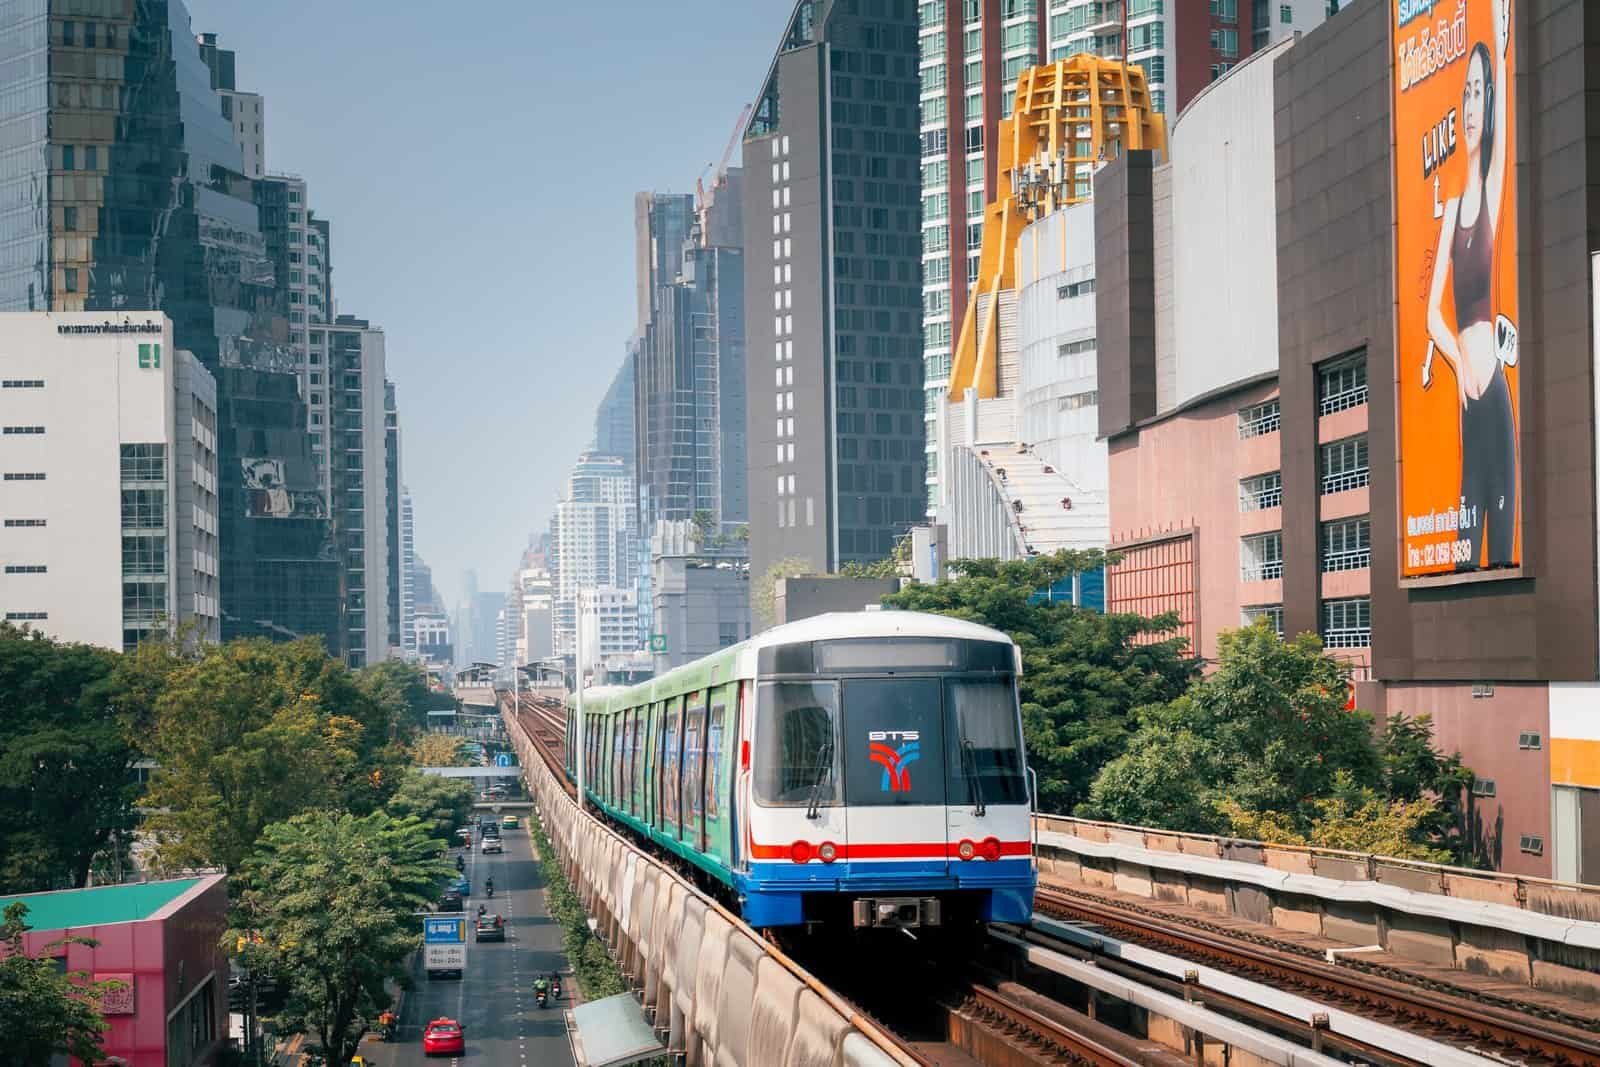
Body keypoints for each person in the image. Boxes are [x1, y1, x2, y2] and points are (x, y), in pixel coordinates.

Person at [1425, 0, 1515, 570]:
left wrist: (1501, 39)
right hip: (1468, 401)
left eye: (1481, 91)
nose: (1474, 103)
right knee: (1463, 556)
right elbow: (1432, 312)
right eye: (1468, 93)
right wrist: (1457, 363)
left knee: (1503, 555)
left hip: (1498, 402)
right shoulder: (1452, 205)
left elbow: (1504, 117)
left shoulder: (1492, 189)